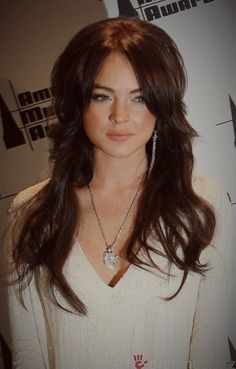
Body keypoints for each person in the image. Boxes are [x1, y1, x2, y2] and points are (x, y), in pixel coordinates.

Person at [5, 17, 233, 369]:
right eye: (102, 96)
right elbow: (26, 352)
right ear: (78, 103)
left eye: (139, 97)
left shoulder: (202, 204)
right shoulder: (32, 211)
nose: (120, 116)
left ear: (161, 104)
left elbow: (210, 354)